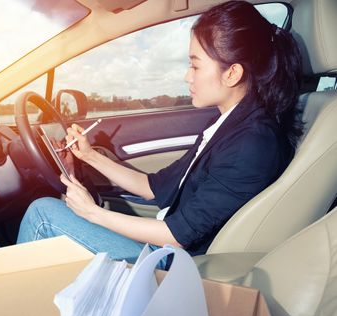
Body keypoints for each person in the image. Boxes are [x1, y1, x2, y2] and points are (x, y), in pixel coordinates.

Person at [17, 0, 303, 264]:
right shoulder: (229, 125)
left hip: (171, 264)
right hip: (165, 247)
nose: (187, 76)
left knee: (43, 213)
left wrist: (93, 213)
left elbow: (178, 234)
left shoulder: (252, 144)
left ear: (232, 74)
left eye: (194, 65)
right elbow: (153, 186)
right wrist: (90, 156)